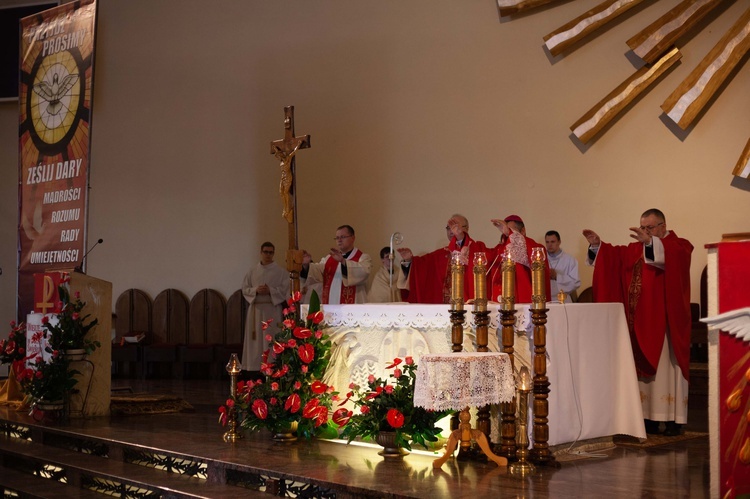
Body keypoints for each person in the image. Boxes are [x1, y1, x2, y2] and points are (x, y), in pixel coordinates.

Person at [583, 208, 692, 436]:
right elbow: (614, 258)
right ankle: (647, 418)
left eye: (649, 228)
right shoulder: (635, 250)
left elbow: (673, 260)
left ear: (662, 226)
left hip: (664, 321)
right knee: (643, 374)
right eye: (642, 227)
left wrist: (652, 242)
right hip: (639, 321)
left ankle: (673, 420)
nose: (644, 232)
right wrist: (598, 246)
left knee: (665, 368)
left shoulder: (678, 245)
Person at [396, 214, 487, 303]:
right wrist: (409, 261)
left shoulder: (476, 249)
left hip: (467, 307)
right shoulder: (439, 255)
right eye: (449, 228)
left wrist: (460, 237)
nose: (452, 231)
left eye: (455, 226)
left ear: (467, 229)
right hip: (442, 310)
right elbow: (420, 268)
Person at [241, 242, 289, 372]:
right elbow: (245, 289)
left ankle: (272, 367)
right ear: (261, 252)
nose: (268, 255)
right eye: (265, 252)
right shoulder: (252, 271)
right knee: (255, 340)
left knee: (271, 337)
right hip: (256, 310)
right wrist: (256, 290)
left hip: (272, 309)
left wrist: (271, 290)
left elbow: (285, 291)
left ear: (273, 253)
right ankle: (254, 368)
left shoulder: (281, 272)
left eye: (270, 252)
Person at [487, 215, 550, 303]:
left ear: (523, 231)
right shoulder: (499, 249)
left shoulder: (535, 247)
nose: (508, 235)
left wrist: (509, 232)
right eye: (505, 233)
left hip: (523, 302)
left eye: (512, 231)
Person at [301, 225, 372, 304]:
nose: (339, 240)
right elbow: (316, 272)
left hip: (353, 307)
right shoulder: (329, 258)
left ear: (353, 238)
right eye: (337, 238)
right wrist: (306, 265)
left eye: (343, 237)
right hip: (331, 305)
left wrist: (343, 262)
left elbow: (364, 272)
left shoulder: (362, 258)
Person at [544, 230, 581, 303]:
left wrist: (557, 276)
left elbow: (576, 283)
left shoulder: (570, 260)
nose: (549, 245)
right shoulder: (542, 259)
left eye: (552, 242)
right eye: (547, 242)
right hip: (546, 300)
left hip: (564, 300)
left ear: (559, 242)